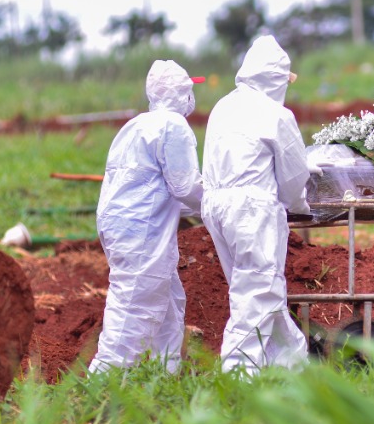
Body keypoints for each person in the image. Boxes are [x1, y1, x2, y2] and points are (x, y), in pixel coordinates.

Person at [201, 34, 311, 376]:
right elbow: (294, 176)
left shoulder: (224, 105)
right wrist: (300, 206)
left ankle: (294, 366)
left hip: (216, 205)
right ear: (279, 78)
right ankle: (237, 375)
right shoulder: (276, 114)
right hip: (251, 210)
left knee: (259, 290)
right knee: (257, 292)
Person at [90, 59, 206, 374]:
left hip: (122, 227)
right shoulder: (174, 126)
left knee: (169, 305)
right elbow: (185, 187)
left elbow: (155, 188)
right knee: (131, 313)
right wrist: (217, 203)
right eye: (189, 90)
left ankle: (166, 377)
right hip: (143, 233)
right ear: (183, 93)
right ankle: (99, 385)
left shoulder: (137, 125)